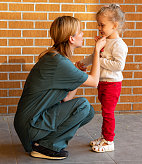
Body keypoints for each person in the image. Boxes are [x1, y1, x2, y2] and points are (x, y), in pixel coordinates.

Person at [14, 16, 106, 160]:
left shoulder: (56, 58)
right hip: (30, 127)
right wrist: (97, 50)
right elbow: (95, 82)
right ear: (71, 39)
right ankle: (46, 146)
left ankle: (44, 143)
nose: (83, 34)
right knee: (82, 105)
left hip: (31, 125)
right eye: (80, 32)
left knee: (88, 112)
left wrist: (79, 76)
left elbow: (66, 98)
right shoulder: (59, 62)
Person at [76, 4, 128, 153]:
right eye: (98, 24)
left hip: (112, 84)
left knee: (108, 113)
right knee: (105, 112)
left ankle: (109, 141)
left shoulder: (119, 45)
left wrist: (100, 58)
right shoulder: (104, 40)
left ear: (115, 25)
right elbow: (94, 56)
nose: (99, 27)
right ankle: (104, 137)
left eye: (102, 24)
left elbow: (119, 65)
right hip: (102, 83)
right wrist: (83, 63)